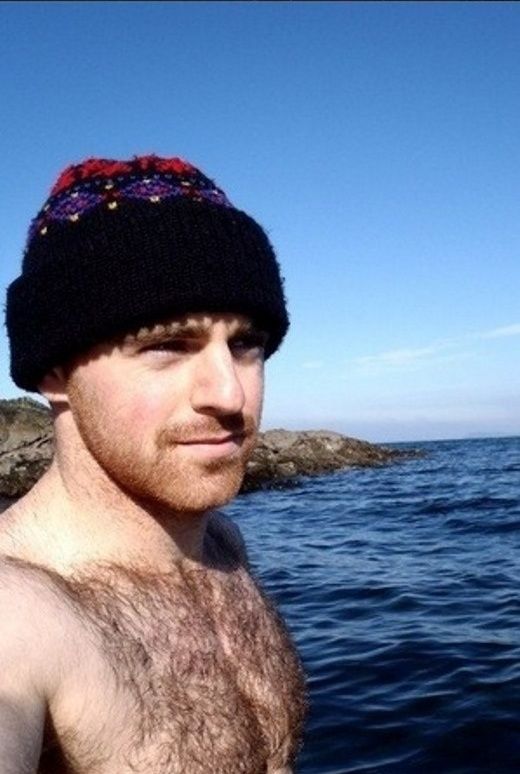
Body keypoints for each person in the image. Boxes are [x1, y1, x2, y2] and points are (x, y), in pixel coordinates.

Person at [1, 155, 307, 773]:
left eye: (246, 343)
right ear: (54, 372)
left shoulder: (220, 546)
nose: (229, 394)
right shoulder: (19, 619)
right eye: (168, 344)